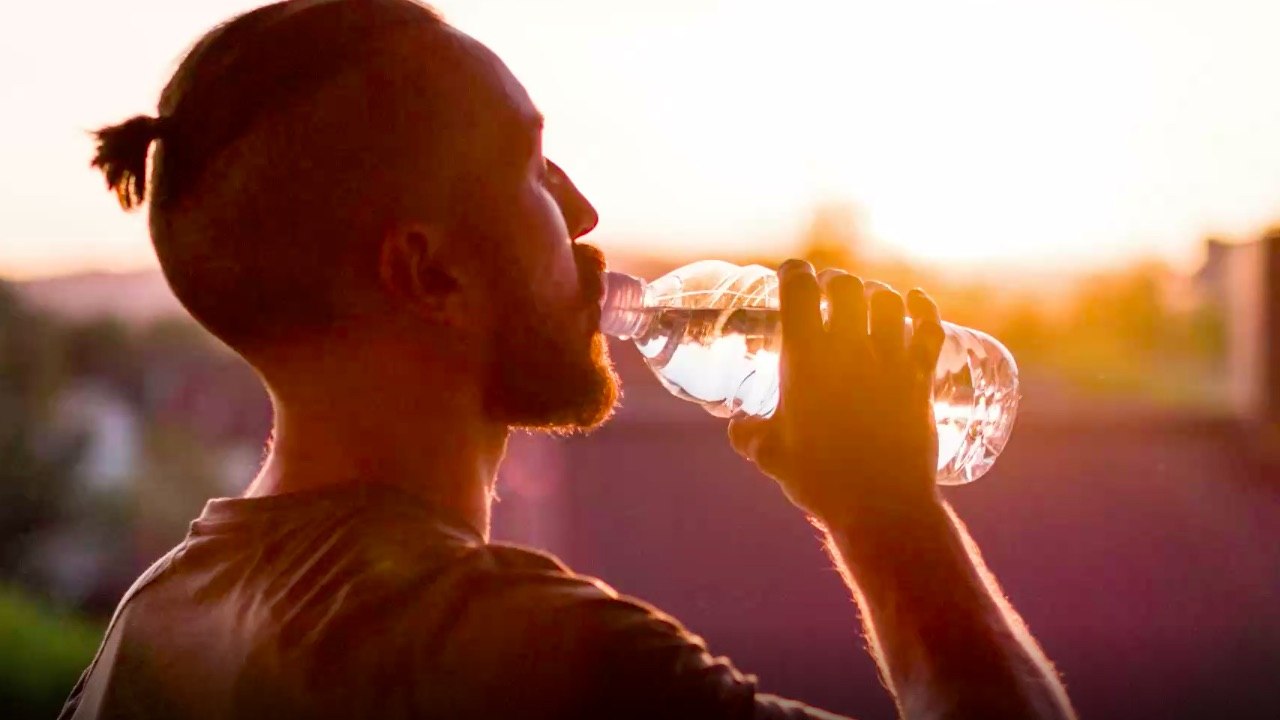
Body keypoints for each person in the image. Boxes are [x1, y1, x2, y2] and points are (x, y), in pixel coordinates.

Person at [66, 1, 1076, 718]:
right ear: (429, 274)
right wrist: (884, 511)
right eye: (532, 169)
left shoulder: (156, 618)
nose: (585, 213)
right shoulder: (494, 650)